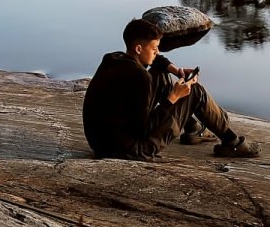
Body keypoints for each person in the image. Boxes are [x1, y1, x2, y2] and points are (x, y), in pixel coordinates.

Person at [82, 17, 260, 162]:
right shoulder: (140, 77)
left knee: (161, 75)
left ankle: (194, 128)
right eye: (154, 48)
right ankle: (232, 143)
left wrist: (176, 70)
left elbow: (156, 61)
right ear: (138, 48)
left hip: (102, 143)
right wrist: (173, 97)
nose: (157, 52)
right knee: (195, 91)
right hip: (131, 150)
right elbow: (144, 129)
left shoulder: (113, 59)